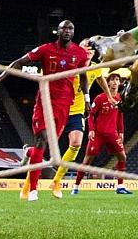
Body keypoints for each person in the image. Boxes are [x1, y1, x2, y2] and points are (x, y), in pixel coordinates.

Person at [0, 19, 90, 202]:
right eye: (63, 28)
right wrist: (2, 76)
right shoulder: (45, 49)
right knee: (42, 140)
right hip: (44, 101)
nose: (67, 31)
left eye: (70, 28)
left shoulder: (80, 54)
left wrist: (88, 99)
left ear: (73, 32)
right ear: (57, 31)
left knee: (44, 148)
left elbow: (83, 77)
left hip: (65, 104)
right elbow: (19, 61)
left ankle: (28, 153)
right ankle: (33, 190)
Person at [50, 64, 104, 196]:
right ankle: (29, 157)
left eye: (92, 50)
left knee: (76, 144)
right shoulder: (70, 64)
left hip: (77, 113)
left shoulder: (95, 68)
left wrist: (110, 96)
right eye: (86, 48)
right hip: (60, 110)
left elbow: (100, 79)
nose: (89, 52)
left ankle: (56, 181)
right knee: (43, 145)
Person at [72, 73, 130, 195]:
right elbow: (91, 115)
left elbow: (120, 117)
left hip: (112, 134)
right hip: (98, 134)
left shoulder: (120, 99)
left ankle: (120, 187)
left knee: (122, 157)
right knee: (87, 160)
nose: (115, 82)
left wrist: (121, 132)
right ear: (107, 83)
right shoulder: (100, 98)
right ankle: (76, 186)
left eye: (117, 80)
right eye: (112, 80)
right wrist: (92, 130)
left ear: (119, 83)